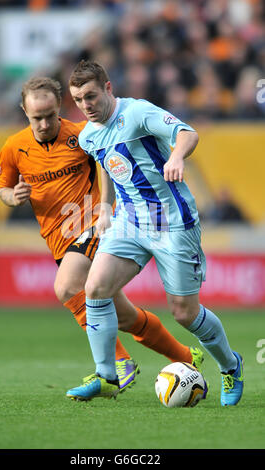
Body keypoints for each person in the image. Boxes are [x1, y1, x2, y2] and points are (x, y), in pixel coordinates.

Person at [0, 76, 204, 393]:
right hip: (58, 240)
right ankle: (187, 355)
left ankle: (118, 366)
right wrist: (14, 195)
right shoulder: (14, 147)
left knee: (66, 287)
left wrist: (105, 209)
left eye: (51, 115)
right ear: (24, 111)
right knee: (124, 316)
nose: (44, 123)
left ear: (60, 108)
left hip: (92, 225)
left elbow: (108, 163)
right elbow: (3, 188)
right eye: (37, 117)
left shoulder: (81, 135)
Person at [67, 60, 243, 406]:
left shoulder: (138, 113)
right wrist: (104, 207)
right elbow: (106, 164)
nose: (85, 105)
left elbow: (188, 133)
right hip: (129, 222)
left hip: (172, 221)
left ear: (107, 88)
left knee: (184, 313)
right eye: (77, 100)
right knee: (96, 287)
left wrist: (176, 157)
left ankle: (230, 365)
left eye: (90, 96)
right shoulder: (87, 135)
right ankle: (106, 376)